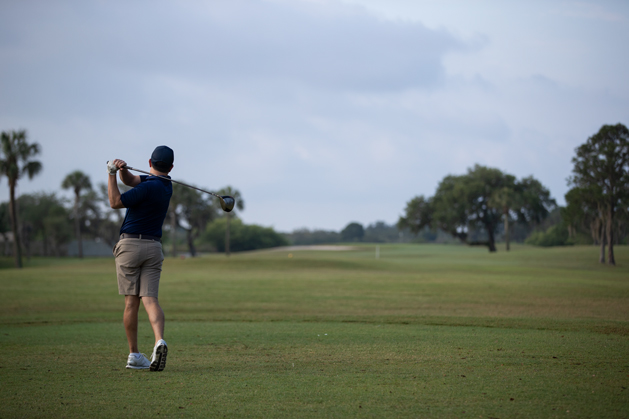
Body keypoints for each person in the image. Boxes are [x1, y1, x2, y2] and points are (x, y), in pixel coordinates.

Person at [107, 146, 174, 371]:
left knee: (130, 302)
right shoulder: (166, 185)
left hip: (130, 246)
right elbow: (133, 180)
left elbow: (115, 202)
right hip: (153, 247)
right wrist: (123, 170)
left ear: (149, 161)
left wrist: (111, 174)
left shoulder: (147, 188)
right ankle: (159, 341)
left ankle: (134, 354)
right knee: (150, 299)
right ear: (171, 167)